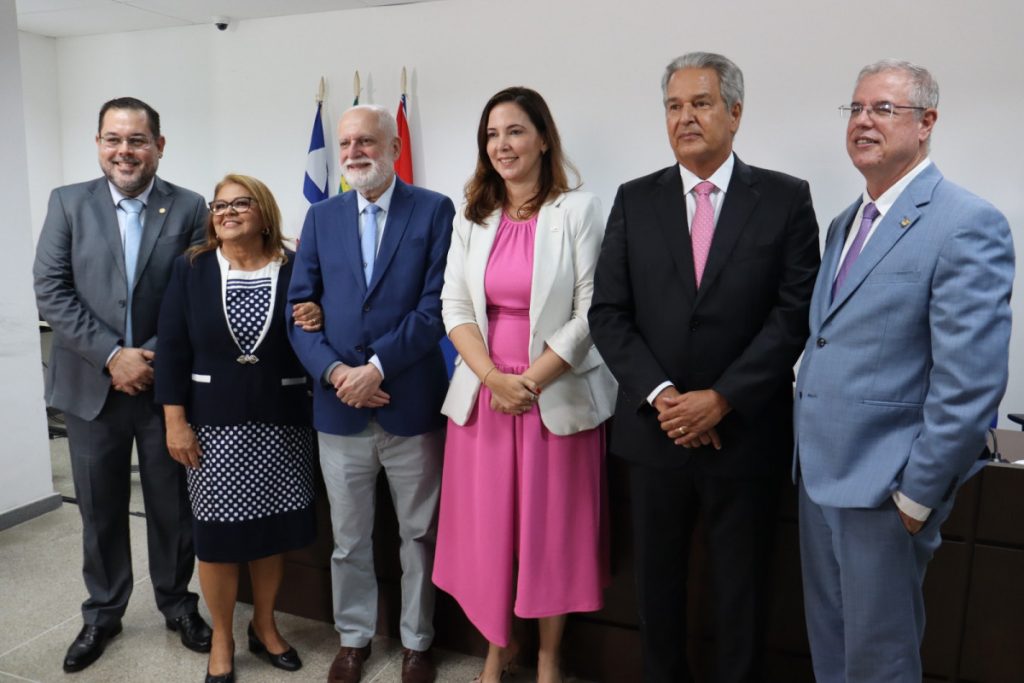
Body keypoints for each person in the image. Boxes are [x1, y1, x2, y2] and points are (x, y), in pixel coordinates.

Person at [588, 53, 821, 682]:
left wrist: (720, 398)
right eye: (673, 106)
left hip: (746, 435)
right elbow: (608, 313)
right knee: (657, 590)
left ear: (735, 113)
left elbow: (794, 315)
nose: (685, 117)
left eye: (701, 103)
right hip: (654, 433)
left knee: (742, 592)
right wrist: (667, 397)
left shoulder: (785, 199)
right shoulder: (635, 201)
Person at [794, 59, 1013, 683]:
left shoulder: (966, 223)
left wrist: (916, 497)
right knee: (832, 653)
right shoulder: (845, 223)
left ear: (927, 123)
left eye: (883, 109)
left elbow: (969, 385)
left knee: (879, 661)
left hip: (885, 487)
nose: (864, 121)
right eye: (856, 109)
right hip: (819, 477)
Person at [432, 86, 617, 683]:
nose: (502, 144)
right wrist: (492, 379)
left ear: (542, 138)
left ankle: (547, 658)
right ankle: (495, 650)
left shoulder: (579, 210)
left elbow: (592, 311)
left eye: (514, 131)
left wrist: (528, 383)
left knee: (551, 536)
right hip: (485, 397)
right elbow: (453, 304)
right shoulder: (474, 216)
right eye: (491, 134)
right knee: (490, 536)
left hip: (552, 396)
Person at [33, 96, 213, 673]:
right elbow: (51, 288)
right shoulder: (68, 203)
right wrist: (113, 356)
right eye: (114, 139)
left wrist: (149, 358)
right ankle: (103, 613)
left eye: (137, 140)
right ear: (98, 144)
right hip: (90, 388)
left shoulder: (188, 207)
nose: (124, 151)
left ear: (159, 146)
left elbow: (196, 291)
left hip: (164, 390)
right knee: (100, 509)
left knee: (172, 508)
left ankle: (177, 603)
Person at [287, 104, 454, 683]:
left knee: (418, 534)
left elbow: (436, 308)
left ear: (394, 149)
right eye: (347, 143)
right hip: (339, 409)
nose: (355, 152)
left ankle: (416, 641)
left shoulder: (434, 211)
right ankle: (353, 637)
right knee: (349, 538)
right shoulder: (321, 217)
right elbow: (298, 311)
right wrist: (339, 375)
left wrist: (377, 368)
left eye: (367, 142)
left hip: (410, 402)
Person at [155, 174, 323, 682]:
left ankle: (265, 626)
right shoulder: (192, 267)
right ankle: (224, 637)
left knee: (271, 533)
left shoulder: (295, 265)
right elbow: (172, 348)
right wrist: (175, 420)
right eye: (219, 205)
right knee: (217, 538)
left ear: (264, 210)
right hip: (213, 424)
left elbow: (321, 327)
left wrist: (319, 312)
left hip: (282, 419)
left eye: (240, 203)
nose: (227, 212)